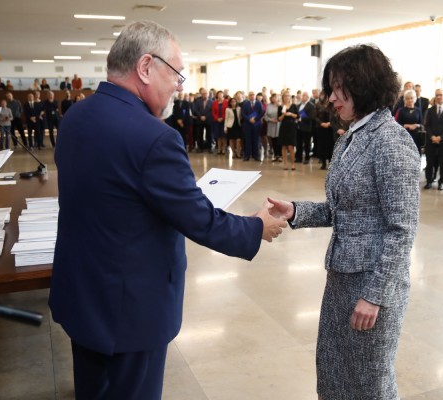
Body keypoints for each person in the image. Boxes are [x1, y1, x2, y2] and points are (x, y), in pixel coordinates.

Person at [48, 20, 287, 400]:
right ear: (145, 67)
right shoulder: (155, 137)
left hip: (83, 296)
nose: (180, 86)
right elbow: (200, 220)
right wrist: (257, 227)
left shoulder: (77, 116)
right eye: (176, 74)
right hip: (130, 310)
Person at [268, 44, 420, 400]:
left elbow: (402, 230)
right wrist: (295, 211)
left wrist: (375, 296)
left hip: (371, 287)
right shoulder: (352, 137)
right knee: (336, 374)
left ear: (365, 86)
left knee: (369, 383)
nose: (332, 99)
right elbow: (344, 211)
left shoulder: (391, 142)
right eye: (331, 89)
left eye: (340, 89)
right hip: (341, 279)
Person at [424, 89, 443, 190]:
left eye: (440, 95)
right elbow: (427, 125)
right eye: (437, 95)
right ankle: (428, 181)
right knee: (430, 162)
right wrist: (432, 136)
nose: (438, 97)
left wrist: (440, 137)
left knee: (442, 163)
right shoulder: (430, 110)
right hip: (431, 140)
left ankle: (441, 182)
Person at [314, 92, 336, 169]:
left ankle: (331, 162)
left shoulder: (332, 104)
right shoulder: (317, 105)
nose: (324, 97)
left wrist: (330, 123)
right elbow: (315, 116)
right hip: (321, 128)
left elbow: (335, 115)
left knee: (330, 145)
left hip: (330, 128)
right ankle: (323, 163)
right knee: (321, 145)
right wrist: (321, 123)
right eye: (322, 95)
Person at [277, 90, 298, 170]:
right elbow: (279, 119)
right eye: (285, 96)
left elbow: (297, 116)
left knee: (291, 146)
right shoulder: (280, 106)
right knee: (284, 146)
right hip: (284, 126)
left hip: (292, 127)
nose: (287, 97)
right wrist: (283, 114)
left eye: (288, 96)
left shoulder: (294, 106)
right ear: (283, 97)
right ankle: (285, 164)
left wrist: (291, 114)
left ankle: (293, 164)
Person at [241, 91, 263, 161]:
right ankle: (247, 155)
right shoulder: (245, 104)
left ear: (255, 96)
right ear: (248, 96)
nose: (252, 96)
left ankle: (255, 155)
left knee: (256, 140)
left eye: (253, 95)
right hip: (248, 125)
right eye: (250, 95)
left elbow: (261, 113)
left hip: (256, 125)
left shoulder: (258, 103)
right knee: (248, 140)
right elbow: (243, 113)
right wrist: (249, 119)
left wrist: (256, 119)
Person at [296, 92, 316, 164]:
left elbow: (312, 117)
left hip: (307, 127)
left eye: (304, 95)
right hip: (298, 127)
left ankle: (307, 158)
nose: (303, 97)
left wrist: (301, 119)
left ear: (307, 97)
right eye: (302, 95)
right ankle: (299, 157)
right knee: (299, 143)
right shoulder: (298, 105)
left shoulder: (311, 105)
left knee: (307, 144)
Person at [264, 93, 281, 162]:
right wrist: (270, 119)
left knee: (279, 140)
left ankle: (280, 155)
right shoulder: (269, 106)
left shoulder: (280, 106)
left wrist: (277, 120)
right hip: (271, 124)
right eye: (273, 97)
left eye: (275, 97)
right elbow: (265, 116)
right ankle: (275, 155)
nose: (274, 99)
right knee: (273, 140)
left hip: (279, 124)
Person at [211, 90, 228, 154]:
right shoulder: (214, 103)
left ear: (223, 95)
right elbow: (213, 112)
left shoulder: (226, 102)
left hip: (224, 121)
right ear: (217, 95)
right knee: (218, 136)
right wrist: (217, 118)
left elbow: (227, 111)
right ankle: (219, 148)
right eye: (219, 94)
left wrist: (222, 118)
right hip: (216, 121)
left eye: (221, 94)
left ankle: (224, 149)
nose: (220, 96)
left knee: (223, 136)